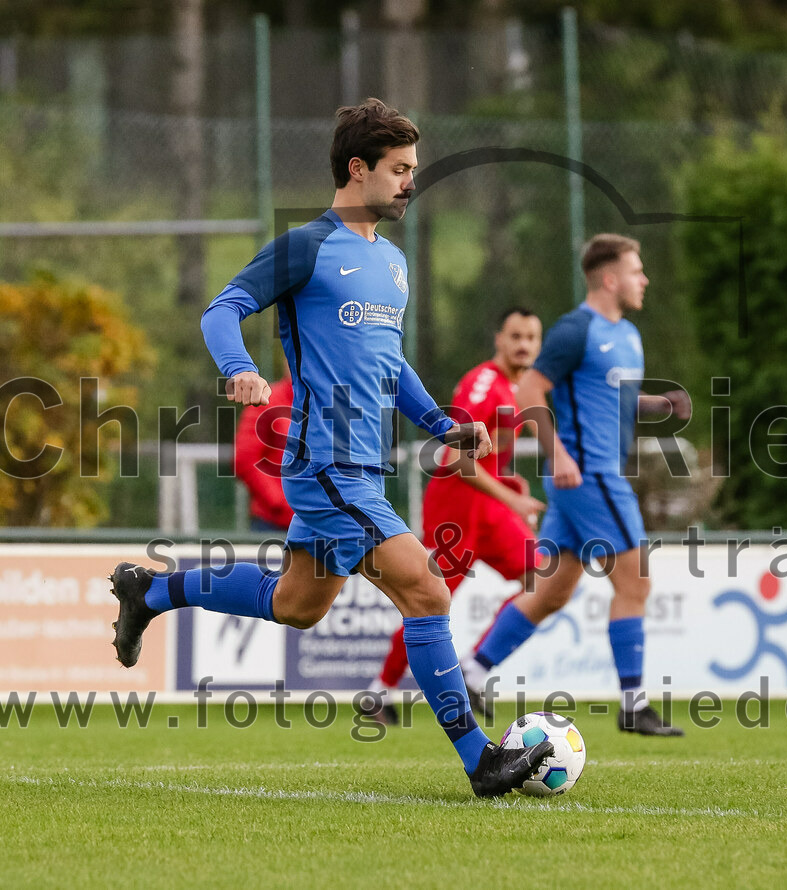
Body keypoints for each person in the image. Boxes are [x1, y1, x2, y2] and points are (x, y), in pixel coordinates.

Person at [108, 98, 552, 797]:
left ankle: (150, 590)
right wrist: (240, 369)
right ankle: (480, 760)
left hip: (364, 467)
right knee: (427, 590)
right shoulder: (306, 246)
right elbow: (221, 308)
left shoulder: (395, 265)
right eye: (400, 170)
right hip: (327, 464)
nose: (411, 182)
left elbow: (389, 362)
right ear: (357, 168)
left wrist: (440, 424)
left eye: (414, 169)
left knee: (297, 604)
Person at [459, 233, 691, 737]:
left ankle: (471, 673)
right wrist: (557, 451)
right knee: (635, 583)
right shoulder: (575, 329)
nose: (643, 279)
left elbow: (615, 398)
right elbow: (527, 389)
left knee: (551, 593)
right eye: (636, 270)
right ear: (609, 278)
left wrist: (658, 406)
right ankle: (634, 704)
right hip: (590, 474)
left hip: (585, 478)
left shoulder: (627, 334)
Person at [359, 308, 545, 724]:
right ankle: (379, 692)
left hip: (489, 510)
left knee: (543, 577)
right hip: (457, 510)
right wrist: (511, 499)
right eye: (515, 335)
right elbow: (458, 458)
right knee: (426, 600)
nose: (523, 345)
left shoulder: (518, 388)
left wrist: (512, 487)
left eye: (531, 338)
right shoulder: (484, 385)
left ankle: (476, 668)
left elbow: (489, 458)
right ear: (499, 339)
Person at [234, 363, 295, 534]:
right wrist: (280, 502)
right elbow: (245, 459)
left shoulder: (332, 403)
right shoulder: (268, 400)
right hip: (273, 524)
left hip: (322, 523)